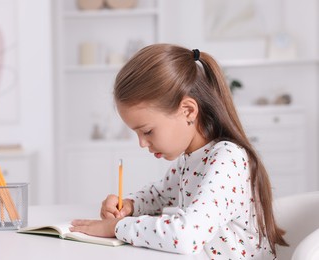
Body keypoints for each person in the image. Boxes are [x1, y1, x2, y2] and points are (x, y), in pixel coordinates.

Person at [70, 43, 288, 258]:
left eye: (147, 131)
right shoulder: (192, 159)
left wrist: (116, 227)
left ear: (188, 111)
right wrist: (129, 205)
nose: (142, 143)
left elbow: (186, 236)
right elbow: (159, 195)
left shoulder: (227, 159)